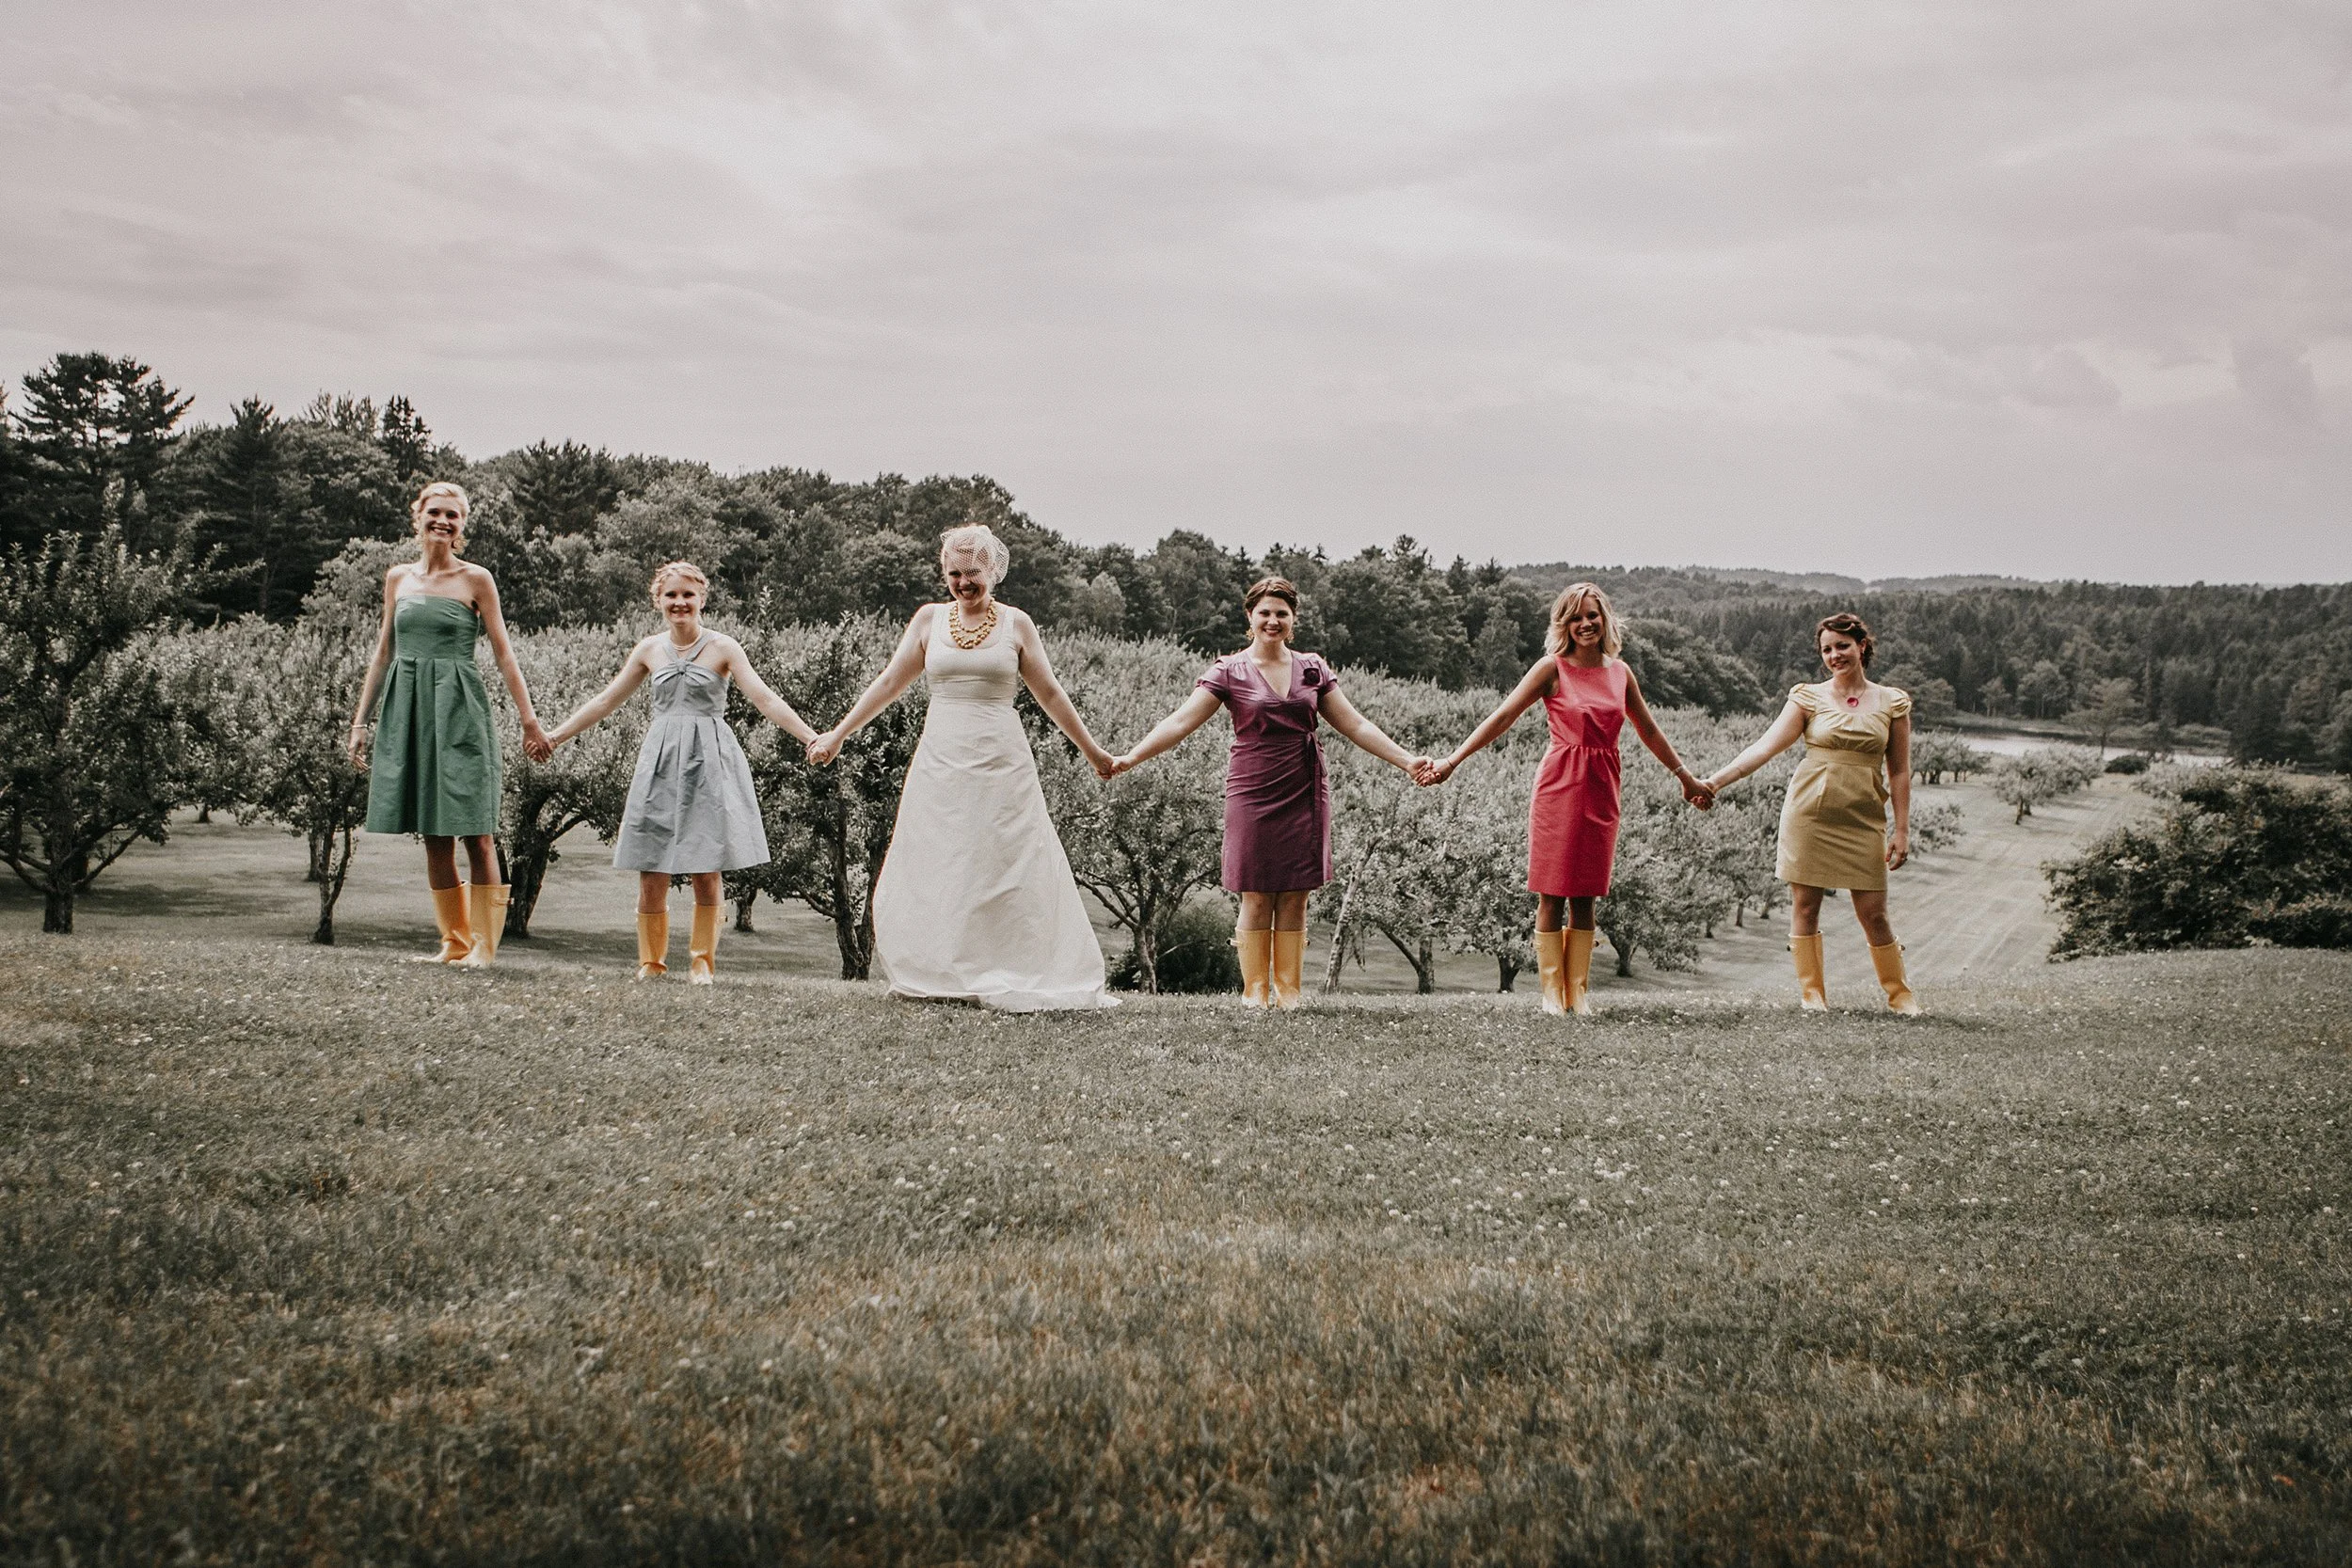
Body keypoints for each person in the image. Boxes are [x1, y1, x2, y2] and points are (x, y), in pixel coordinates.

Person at [806, 523, 1120, 1011]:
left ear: (992, 571)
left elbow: (1050, 693)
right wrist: (839, 733)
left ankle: (1011, 967)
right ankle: (942, 970)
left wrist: (1093, 751)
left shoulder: (1017, 624)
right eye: (954, 573)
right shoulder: (929, 620)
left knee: (1006, 858)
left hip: (1002, 759)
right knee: (943, 857)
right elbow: (889, 683)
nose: (963, 582)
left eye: (972, 572)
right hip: (941, 757)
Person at [1111, 577, 1428, 1006]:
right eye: (1265, 613)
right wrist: (1131, 757)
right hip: (1251, 788)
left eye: (1282, 613)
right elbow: (1179, 722)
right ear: (1250, 617)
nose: (1273, 620)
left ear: (1293, 619)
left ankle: (1289, 994)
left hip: (1305, 787)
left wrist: (1407, 760)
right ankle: (1255, 994)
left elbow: (1356, 725)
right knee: (1257, 890)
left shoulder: (1313, 668)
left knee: (1296, 893)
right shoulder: (1228, 670)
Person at [1422, 583, 1711, 1016]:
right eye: (1575, 618)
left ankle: (1579, 994)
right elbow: (1502, 716)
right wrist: (1453, 760)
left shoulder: (1621, 673)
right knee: (1552, 892)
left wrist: (1684, 777)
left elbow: (1648, 729)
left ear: (1605, 618)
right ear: (1564, 625)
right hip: (1560, 783)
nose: (1585, 624)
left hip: (1603, 785)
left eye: (1592, 615)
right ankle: (1552, 996)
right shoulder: (1551, 668)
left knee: (1587, 895)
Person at [534, 562, 815, 983]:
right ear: (658, 601)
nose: (679, 602)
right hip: (661, 761)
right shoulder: (649, 649)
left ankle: (702, 963)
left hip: (709, 760)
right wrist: (555, 736)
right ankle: (651, 963)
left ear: (702, 599)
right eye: (671, 595)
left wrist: (811, 737)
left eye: (688, 595)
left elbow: (764, 699)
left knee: (706, 864)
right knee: (652, 865)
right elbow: (605, 701)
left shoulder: (724, 647)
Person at [348, 482, 547, 966]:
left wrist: (529, 720)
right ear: (417, 518)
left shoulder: (477, 579)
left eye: (452, 515)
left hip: (459, 707)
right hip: (409, 707)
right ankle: (454, 944)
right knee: (433, 834)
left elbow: (503, 653)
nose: (442, 521)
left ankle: (484, 947)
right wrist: (360, 722)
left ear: (462, 525)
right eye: (434, 512)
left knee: (476, 830)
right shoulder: (398, 578)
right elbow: (382, 653)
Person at [1700, 611, 1919, 1014]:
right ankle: (1812, 997)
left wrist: (1902, 830)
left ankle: (1900, 995)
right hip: (1809, 813)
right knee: (1805, 907)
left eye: (1842, 646)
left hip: (1864, 817)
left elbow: (1900, 771)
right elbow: (1764, 748)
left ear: (1862, 646)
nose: (1835, 655)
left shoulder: (1892, 701)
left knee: (1874, 912)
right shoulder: (1808, 697)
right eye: (1827, 649)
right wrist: (1713, 782)